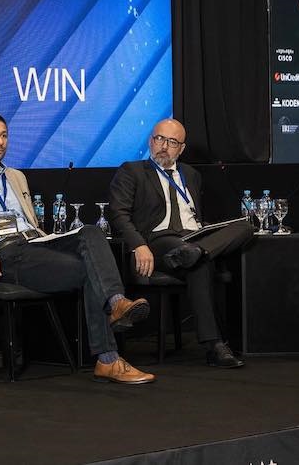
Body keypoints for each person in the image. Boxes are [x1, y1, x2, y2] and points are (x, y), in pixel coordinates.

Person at [0, 112, 154, 385]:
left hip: (36, 242)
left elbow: (31, 222)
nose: (0, 142)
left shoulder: (16, 176)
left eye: (4, 135)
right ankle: (109, 356)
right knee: (92, 271)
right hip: (4, 252)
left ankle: (116, 304)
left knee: (90, 231)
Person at [107, 119, 254, 368]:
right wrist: (138, 245)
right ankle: (214, 346)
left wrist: (203, 242)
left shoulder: (192, 175)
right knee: (198, 262)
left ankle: (198, 251)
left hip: (194, 237)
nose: (164, 146)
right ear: (150, 141)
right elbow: (118, 214)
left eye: (172, 142)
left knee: (245, 227)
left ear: (181, 148)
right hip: (158, 241)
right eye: (159, 139)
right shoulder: (132, 171)